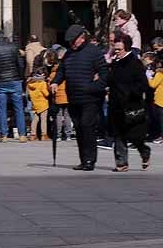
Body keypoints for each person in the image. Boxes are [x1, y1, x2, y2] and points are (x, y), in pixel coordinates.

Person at [51, 24, 107, 171]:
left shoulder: (94, 52)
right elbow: (61, 71)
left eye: (73, 41)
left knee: (87, 127)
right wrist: (55, 82)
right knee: (79, 129)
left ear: (82, 38)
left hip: (90, 98)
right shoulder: (69, 53)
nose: (71, 44)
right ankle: (83, 159)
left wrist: (93, 87)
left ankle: (90, 160)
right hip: (73, 97)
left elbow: (104, 75)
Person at [107, 32, 151, 172]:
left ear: (126, 48)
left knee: (134, 136)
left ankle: (144, 151)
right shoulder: (115, 62)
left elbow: (143, 84)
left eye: (119, 49)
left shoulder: (134, 62)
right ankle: (121, 163)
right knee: (118, 134)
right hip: (116, 105)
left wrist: (132, 94)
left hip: (132, 105)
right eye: (115, 49)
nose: (117, 51)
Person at [0, 31, 27, 142]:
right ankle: (22, 134)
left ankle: (3, 135)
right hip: (15, 80)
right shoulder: (14, 47)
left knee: (1, 109)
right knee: (19, 108)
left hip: (0, 81)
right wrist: (20, 78)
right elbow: (20, 64)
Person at [27, 69, 50, 141]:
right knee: (43, 120)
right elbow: (46, 94)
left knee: (35, 119)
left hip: (35, 104)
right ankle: (44, 135)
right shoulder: (42, 83)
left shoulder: (30, 84)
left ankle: (33, 135)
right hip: (43, 104)